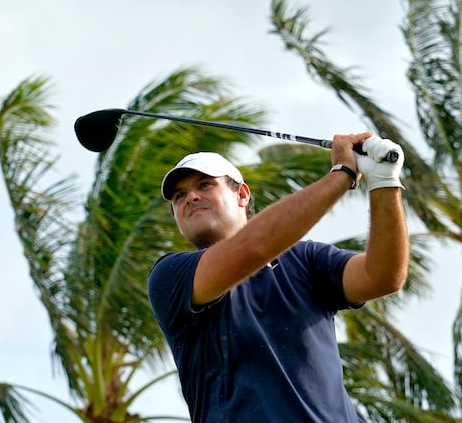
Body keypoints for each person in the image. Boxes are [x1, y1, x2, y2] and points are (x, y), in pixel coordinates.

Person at [147, 132, 408, 422]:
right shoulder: (170, 276)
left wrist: (385, 182)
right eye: (179, 196)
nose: (190, 197)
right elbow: (253, 248)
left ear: (242, 195)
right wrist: (342, 174)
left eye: (205, 184)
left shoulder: (305, 260)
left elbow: (383, 277)